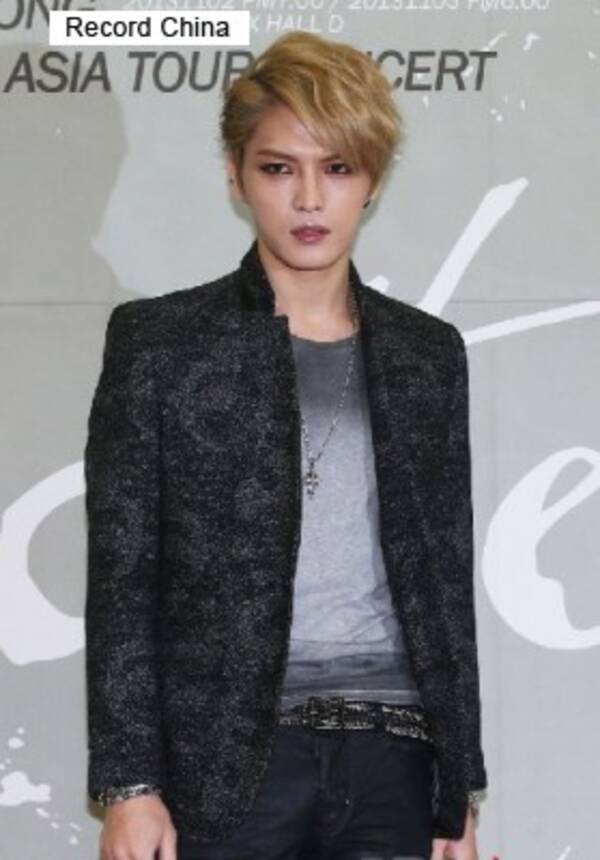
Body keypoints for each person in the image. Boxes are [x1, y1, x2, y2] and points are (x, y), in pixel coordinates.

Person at [84, 29, 488, 860]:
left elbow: (445, 583)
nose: (309, 199)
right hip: (227, 763)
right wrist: (129, 785)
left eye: (337, 167)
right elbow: (123, 578)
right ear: (235, 176)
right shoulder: (160, 344)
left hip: (395, 757)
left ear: (372, 181)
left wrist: (458, 791)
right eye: (278, 168)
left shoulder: (428, 354)